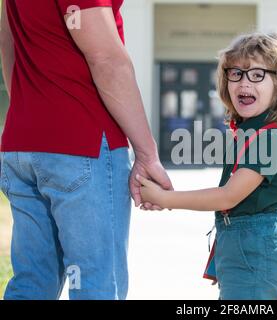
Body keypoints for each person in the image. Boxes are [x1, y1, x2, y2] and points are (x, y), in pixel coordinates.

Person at [0, 0, 172, 300]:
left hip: (23, 142)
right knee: (96, 286)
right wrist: (147, 153)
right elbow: (106, 58)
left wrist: (34, 114)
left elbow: (7, 43)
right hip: (83, 142)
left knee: (31, 284)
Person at [137, 31, 277, 300]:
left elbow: (228, 196)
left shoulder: (270, 138)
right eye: (236, 73)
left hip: (255, 252)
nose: (244, 82)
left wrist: (165, 198)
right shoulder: (248, 130)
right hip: (241, 245)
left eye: (256, 74)